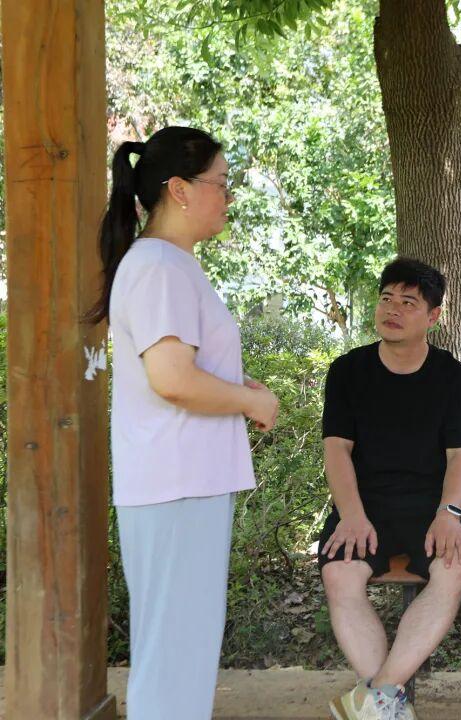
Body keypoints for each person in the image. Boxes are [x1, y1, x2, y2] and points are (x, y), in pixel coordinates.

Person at [88, 126, 280, 719]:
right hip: (178, 485)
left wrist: (236, 388)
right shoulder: (160, 266)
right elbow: (172, 378)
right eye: (220, 182)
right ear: (179, 189)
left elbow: (183, 370)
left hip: (182, 483)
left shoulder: (166, 264)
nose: (228, 196)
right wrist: (249, 402)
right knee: (174, 655)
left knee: (179, 651)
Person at [318, 258, 461, 720]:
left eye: (408, 302)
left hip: (433, 507)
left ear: (433, 316)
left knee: (454, 567)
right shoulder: (348, 371)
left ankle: (377, 698)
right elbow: (337, 450)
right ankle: (385, 706)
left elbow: (460, 456)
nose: (393, 309)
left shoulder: (454, 378)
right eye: (386, 298)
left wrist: (449, 513)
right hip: (364, 506)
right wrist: (351, 515)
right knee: (340, 574)